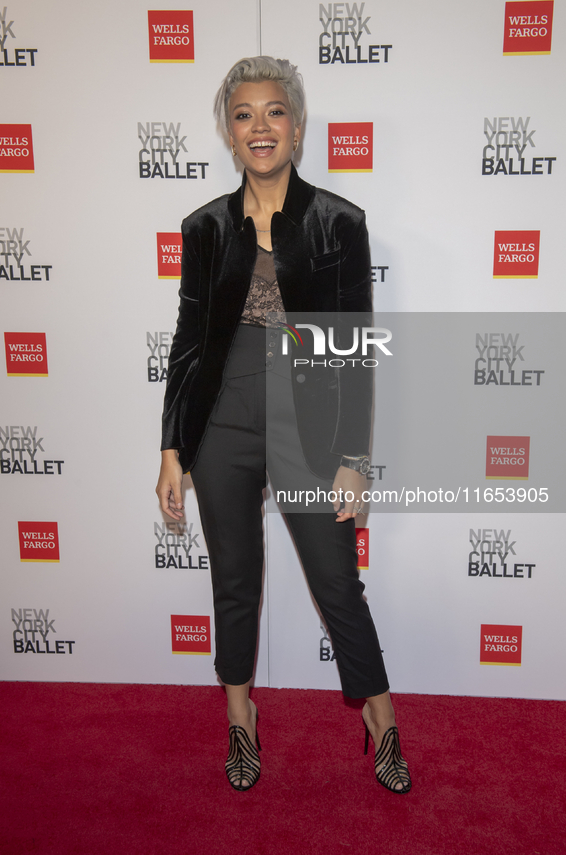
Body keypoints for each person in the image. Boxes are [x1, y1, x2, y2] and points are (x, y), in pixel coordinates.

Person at [156, 56, 411, 794]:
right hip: (223, 420)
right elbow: (188, 343)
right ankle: (241, 717)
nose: (259, 127)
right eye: (243, 114)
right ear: (228, 134)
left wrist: (355, 456)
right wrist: (172, 446)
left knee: (337, 585)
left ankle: (381, 720)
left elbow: (353, 348)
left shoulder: (338, 222)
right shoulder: (204, 228)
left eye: (273, 112)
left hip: (309, 428)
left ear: (296, 128)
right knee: (234, 581)